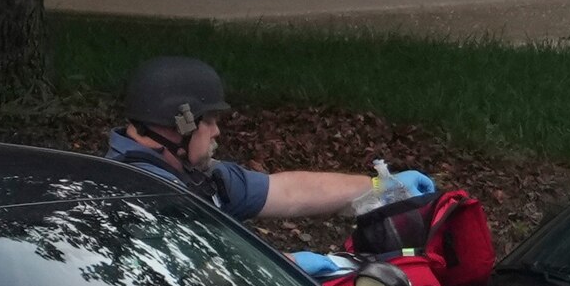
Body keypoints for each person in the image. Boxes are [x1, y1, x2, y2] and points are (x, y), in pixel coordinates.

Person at [107, 52, 413, 228]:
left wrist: (382, 187)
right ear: (182, 123)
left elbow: (289, 192)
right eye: (210, 121)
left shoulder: (199, 178)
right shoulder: (140, 196)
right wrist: (296, 271)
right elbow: (209, 273)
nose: (217, 132)